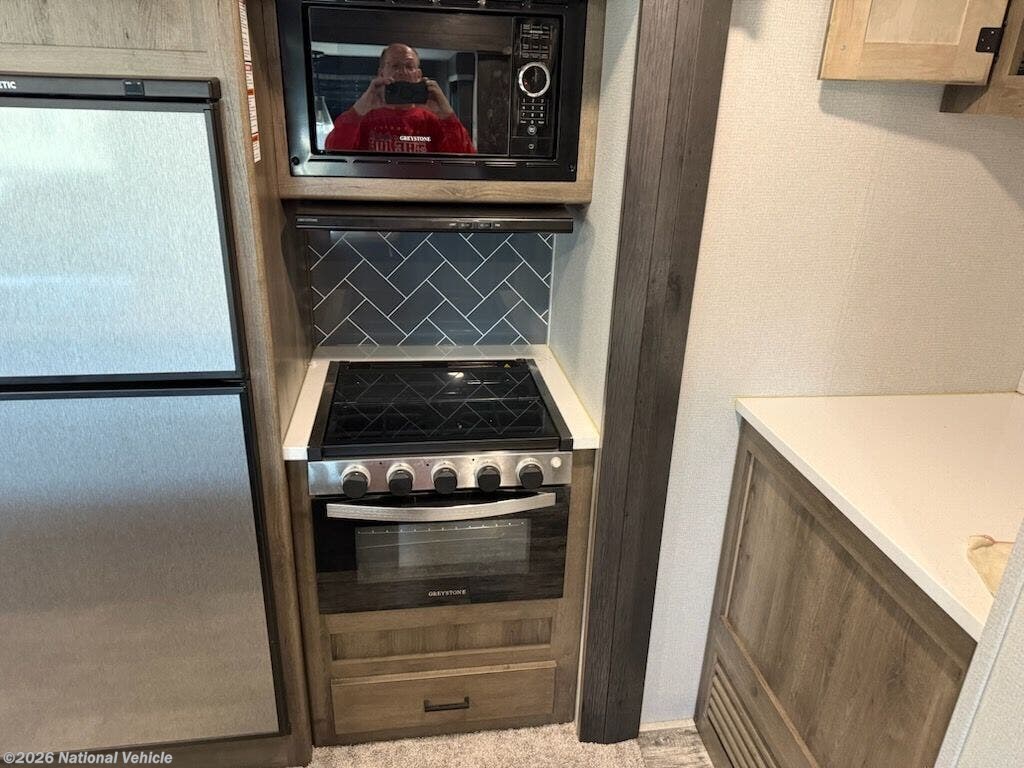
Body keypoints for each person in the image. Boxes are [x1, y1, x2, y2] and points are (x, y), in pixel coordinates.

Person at [324, 43, 476, 154]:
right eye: (395, 66)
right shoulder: (364, 116)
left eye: (409, 66)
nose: (402, 72)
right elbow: (333, 152)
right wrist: (359, 110)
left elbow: (465, 160)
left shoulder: (432, 119)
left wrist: (447, 114)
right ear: (381, 73)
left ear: (418, 75)